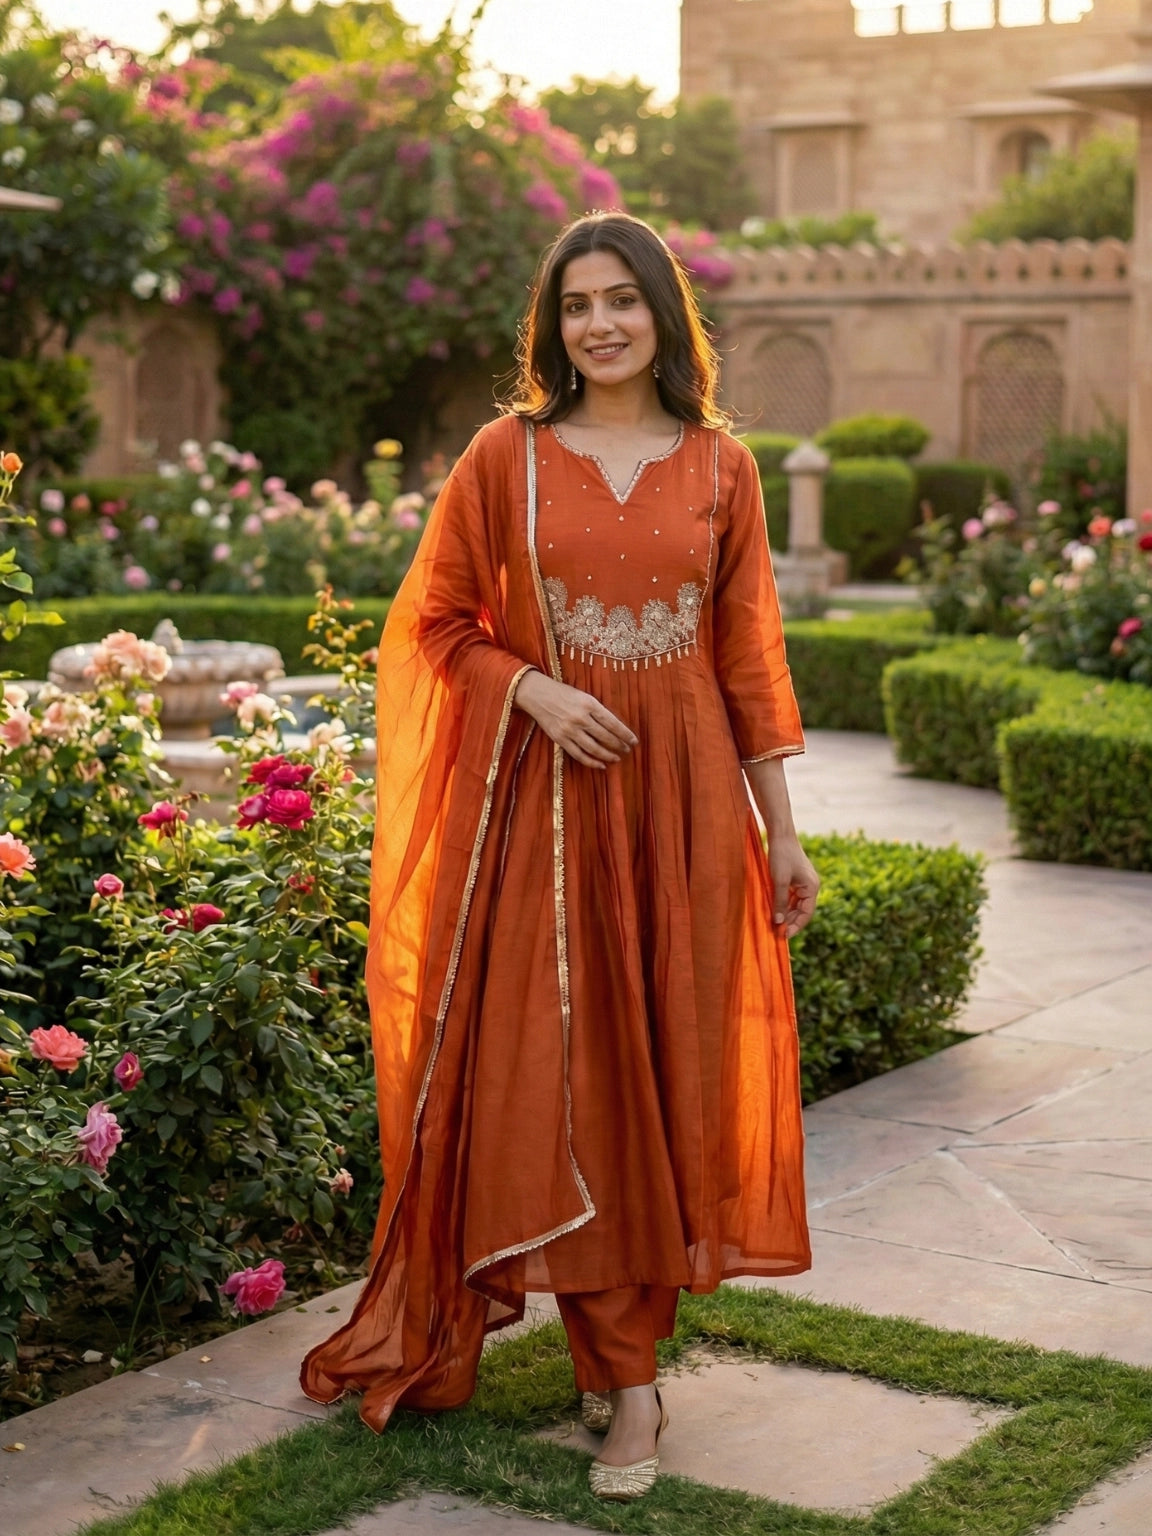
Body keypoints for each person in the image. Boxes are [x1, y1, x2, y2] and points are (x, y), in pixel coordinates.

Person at [300, 211, 820, 1503]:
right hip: (548, 816)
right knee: (575, 1079)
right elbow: (432, 622)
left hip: (690, 810)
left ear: (663, 316)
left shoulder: (721, 469)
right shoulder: (507, 458)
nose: (600, 323)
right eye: (577, 303)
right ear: (553, 325)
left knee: (667, 1076)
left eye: (623, 301)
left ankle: (623, 1359)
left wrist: (783, 830)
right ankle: (626, 1379)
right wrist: (529, 689)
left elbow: (749, 660)